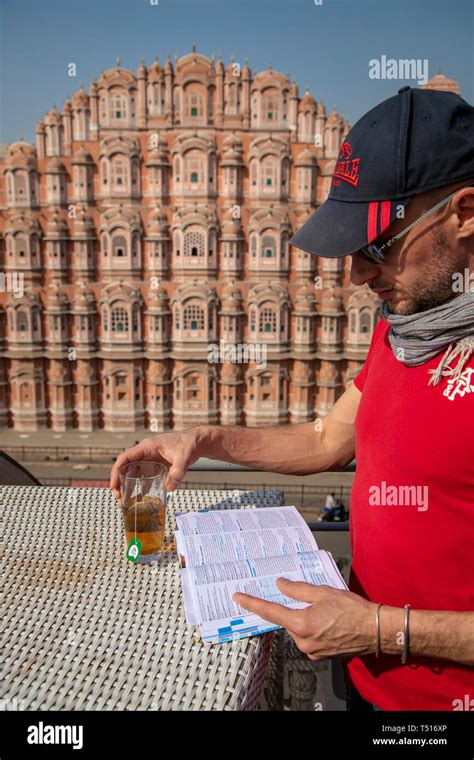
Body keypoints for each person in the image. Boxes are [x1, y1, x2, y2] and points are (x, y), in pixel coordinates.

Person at [110, 87, 474, 711]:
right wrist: (204, 440)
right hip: (363, 675)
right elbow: (328, 439)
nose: (359, 276)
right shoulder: (409, 320)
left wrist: (379, 628)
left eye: (377, 245)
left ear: (464, 211)